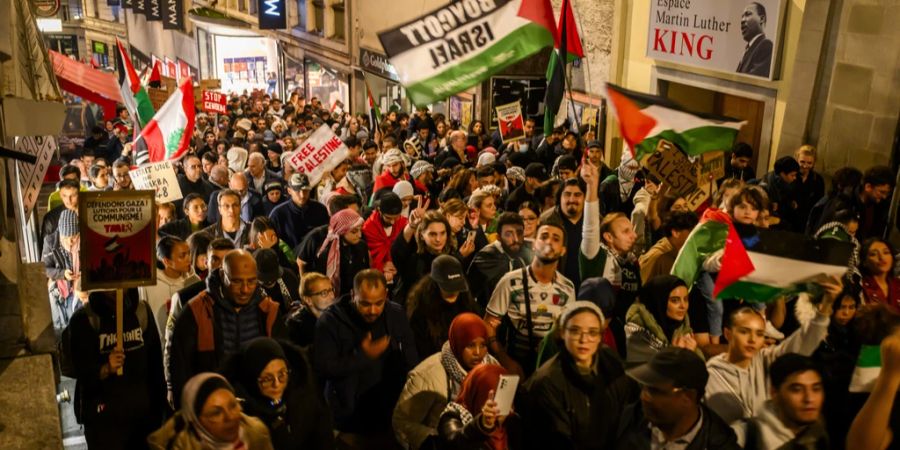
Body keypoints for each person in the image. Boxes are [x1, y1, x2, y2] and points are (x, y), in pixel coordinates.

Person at [704, 276, 841, 429]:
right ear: (728, 334)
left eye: (759, 334)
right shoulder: (712, 373)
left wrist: (826, 305)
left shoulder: (767, 359)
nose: (752, 339)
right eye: (744, 332)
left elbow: (803, 342)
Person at [314, 269, 418, 449]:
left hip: (389, 415)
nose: (373, 310)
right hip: (350, 421)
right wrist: (362, 357)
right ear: (353, 295)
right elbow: (323, 368)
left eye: (379, 303)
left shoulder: (396, 314)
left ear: (386, 295)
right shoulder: (330, 321)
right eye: (365, 304)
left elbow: (411, 359)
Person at [168, 250, 286, 405]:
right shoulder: (196, 311)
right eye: (236, 281)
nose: (245, 289)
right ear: (223, 274)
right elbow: (180, 368)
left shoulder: (269, 311)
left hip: (259, 405)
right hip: (212, 405)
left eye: (251, 281)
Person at [523, 301, 639, 450]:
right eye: (575, 331)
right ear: (562, 333)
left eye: (592, 332)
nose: (584, 340)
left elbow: (630, 417)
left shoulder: (612, 364)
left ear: (600, 337)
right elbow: (557, 441)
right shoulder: (547, 381)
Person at [68, 289, 167, 449]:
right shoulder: (84, 319)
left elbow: (155, 365)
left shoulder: (142, 311)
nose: (115, 289)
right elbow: (80, 369)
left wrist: (161, 410)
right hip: (104, 424)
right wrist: (105, 369)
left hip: (143, 420)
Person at [393, 313, 501, 450]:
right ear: (458, 343)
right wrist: (434, 441)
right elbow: (402, 421)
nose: (478, 352)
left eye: (483, 345)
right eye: (470, 345)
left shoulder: (493, 368)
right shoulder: (427, 374)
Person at [485, 218, 576, 377]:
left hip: (548, 368)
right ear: (534, 244)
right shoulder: (510, 281)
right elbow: (488, 324)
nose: (549, 242)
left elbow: (566, 330)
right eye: (544, 236)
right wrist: (504, 359)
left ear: (563, 250)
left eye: (556, 239)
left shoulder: (567, 288)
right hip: (514, 363)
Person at [220, 338, 334, 450]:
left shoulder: (304, 394)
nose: (277, 384)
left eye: (282, 374)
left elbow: (323, 436)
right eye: (267, 379)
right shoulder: (241, 416)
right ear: (251, 379)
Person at [616, 347, 740, 450]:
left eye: (655, 391)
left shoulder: (719, 443)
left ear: (688, 397)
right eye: (644, 387)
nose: (644, 397)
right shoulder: (629, 419)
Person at [148, 372, 274, 449]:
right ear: (195, 421)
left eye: (233, 405)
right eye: (216, 413)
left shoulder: (258, 435)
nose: (230, 417)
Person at [743, 354, 829, 449]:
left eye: (816, 389)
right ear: (774, 393)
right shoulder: (745, 435)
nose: (809, 398)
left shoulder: (822, 434)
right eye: (797, 390)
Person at [407, 255, 480, 358]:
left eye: (457, 286)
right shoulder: (420, 312)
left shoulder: (466, 303)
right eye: (449, 287)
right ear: (435, 284)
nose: (454, 292)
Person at [435, 363, 520, 450]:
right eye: (494, 397)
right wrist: (483, 424)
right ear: (478, 393)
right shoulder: (453, 415)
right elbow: (453, 441)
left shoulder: (511, 422)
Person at [625, 275, 700, 366]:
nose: (683, 306)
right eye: (675, 300)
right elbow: (647, 374)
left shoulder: (683, 328)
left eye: (686, 299)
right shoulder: (636, 331)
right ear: (659, 301)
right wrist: (677, 355)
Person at [392, 206, 460, 304]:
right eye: (432, 234)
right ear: (422, 235)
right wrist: (411, 225)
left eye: (442, 233)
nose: (438, 239)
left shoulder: (451, 257)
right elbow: (397, 252)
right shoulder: (414, 260)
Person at [140, 236, 200, 346]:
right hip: (157, 345)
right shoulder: (149, 284)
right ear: (167, 261)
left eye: (189, 253)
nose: (189, 259)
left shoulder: (194, 281)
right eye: (182, 256)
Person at [296, 208, 368, 297]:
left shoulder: (360, 245)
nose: (359, 235)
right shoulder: (317, 238)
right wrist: (306, 290)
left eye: (360, 230)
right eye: (354, 231)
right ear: (341, 230)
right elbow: (301, 262)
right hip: (321, 293)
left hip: (349, 295)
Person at [467, 213, 534, 308]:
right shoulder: (486, 257)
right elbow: (470, 293)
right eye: (508, 234)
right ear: (498, 237)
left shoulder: (526, 253)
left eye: (519, 233)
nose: (516, 239)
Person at [817, 165, 893, 240]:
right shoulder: (843, 204)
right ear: (868, 187)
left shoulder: (879, 207)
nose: (884, 197)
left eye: (887, 193)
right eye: (881, 192)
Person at [541, 177, 586, 288]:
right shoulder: (546, 221)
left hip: (587, 289)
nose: (572, 199)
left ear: (585, 198)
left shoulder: (595, 221)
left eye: (577, 195)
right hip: (555, 287)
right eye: (567, 194)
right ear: (559, 197)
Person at [268, 173, 330, 250]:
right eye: (298, 191)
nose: (302, 195)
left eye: (305, 191)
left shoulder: (320, 209)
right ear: (289, 191)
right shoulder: (278, 214)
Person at [43, 209, 80, 336]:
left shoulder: (85, 241)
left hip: (79, 291)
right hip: (60, 290)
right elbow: (45, 269)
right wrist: (62, 274)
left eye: (74, 237)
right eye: (66, 237)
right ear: (60, 233)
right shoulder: (50, 242)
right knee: (60, 328)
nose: (70, 242)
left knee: (76, 327)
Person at [639, 211, 699, 284]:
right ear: (676, 233)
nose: (697, 237)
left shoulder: (682, 253)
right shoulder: (657, 256)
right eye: (692, 232)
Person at [362, 192, 408, 274]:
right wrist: (382, 266)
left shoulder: (403, 223)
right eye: (388, 218)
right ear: (379, 211)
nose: (393, 222)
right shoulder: (368, 228)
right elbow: (368, 256)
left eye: (397, 217)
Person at [286, 272, 335, 348]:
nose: (332, 296)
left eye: (331, 290)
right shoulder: (296, 326)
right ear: (308, 300)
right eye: (324, 293)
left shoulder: (337, 315)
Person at [757, 155, 800, 231]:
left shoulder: (787, 182)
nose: (795, 178)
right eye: (792, 175)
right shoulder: (766, 187)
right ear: (782, 174)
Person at [254, 248, 300, 315]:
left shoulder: (288, 276)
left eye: (272, 276)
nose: (269, 281)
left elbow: (297, 298)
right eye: (265, 278)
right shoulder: (251, 290)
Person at [860, 238, 900, 311]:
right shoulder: (860, 286)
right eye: (873, 254)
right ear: (864, 262)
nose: (881, 257)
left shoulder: (897, 284)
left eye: (886, 252)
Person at [736, 2, 774, 77]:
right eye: (742, 16)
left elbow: (751, 83)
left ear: (761, 19)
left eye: (748, 14)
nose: (742, 20)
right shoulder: (749, 50)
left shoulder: (766, 46)